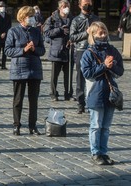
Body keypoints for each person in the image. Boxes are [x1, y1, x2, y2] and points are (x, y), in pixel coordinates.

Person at [80, 21, 124, 165]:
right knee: (96, 125)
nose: (104, 35)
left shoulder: (112, 50)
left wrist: (112, 65)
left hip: (110, 94)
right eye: (100, 33)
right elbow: (87, 73)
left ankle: (104, 152)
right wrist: (103, 66)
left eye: (105, 32)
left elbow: (120, 71)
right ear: (93, 35)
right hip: (95, 93)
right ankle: (95, 153)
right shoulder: (88, 53)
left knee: (105, 127)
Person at [5, 6, 45, 136]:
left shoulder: (36, 31)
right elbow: (8, 50)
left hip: (34, 69)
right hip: (19, 69)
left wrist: (34, 50)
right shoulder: (13, 31)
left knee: (33, 101)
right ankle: (16, 125)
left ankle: (32, 126)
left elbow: (42, 50)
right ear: (22, 17)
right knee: (18, 100)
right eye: (30, 16)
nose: (32, 18)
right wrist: (23, 50)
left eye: (33, 16)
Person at [70, 0, 99, 114]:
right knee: (80, 78)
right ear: (80, 5)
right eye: (85, 3)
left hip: (94, 50)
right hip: (81, 50)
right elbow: (72, 37)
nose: (88, 5)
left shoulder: (96, 19)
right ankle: (80, 103)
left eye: (90, 3)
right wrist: (86, 33)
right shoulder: (76, 20)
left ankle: (92, 101)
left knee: (95, 77)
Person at [43, 0, 74, 101]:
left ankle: (68, 93)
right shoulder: (52, 19)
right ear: (60, 8)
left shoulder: (72, 19)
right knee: (54, 75)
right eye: (64, 6)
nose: (66, 8)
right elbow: (46, 32)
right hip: (56, 50)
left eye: (68, 6)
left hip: (68, 51)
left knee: (68, 75)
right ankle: (53, 93)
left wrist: (72, 40)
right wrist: (60, 29)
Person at [0, 1, 11, 70]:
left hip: (6, 36)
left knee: (5, 52)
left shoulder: (8, 16)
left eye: (3, 7)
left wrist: (5, 33)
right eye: (1, 7)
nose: (2, 8)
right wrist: (0, 33)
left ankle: (3, 65)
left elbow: (9, 25)